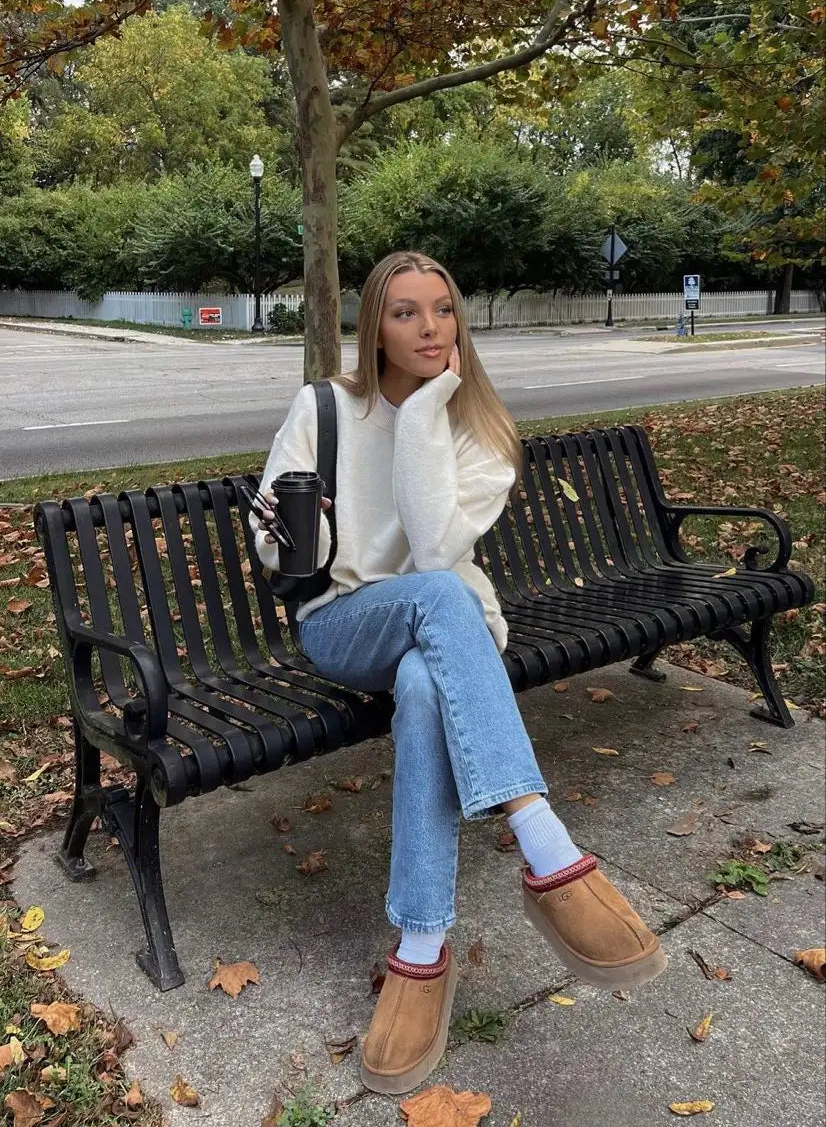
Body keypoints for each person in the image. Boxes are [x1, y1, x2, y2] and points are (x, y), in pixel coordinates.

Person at [250, 251, 667, 1095]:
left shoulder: (480, 433)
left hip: (444, 631)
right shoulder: (324, 407)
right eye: (405, 312)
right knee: (437, 603)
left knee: (423, 678)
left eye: (442, 309)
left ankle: (420, 951)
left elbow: (438, 547)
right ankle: (546, 849)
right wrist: (299, 528)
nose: (430, 327)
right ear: (375, 326)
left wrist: (422, 415)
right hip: (343, 623)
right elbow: (273, 545)